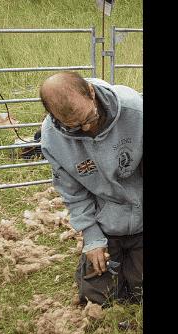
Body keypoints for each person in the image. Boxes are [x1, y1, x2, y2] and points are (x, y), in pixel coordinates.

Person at [38, 71, 142, 306]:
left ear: (91, 92)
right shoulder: (52, 138)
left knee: (140, 292)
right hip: (106, 222)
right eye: (74, 126)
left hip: (141, 212)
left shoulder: (136, 110)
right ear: (52, 115)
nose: (85, 129)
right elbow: (73, 193)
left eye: (89, 117)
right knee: (101, 297)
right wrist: (92, 238)